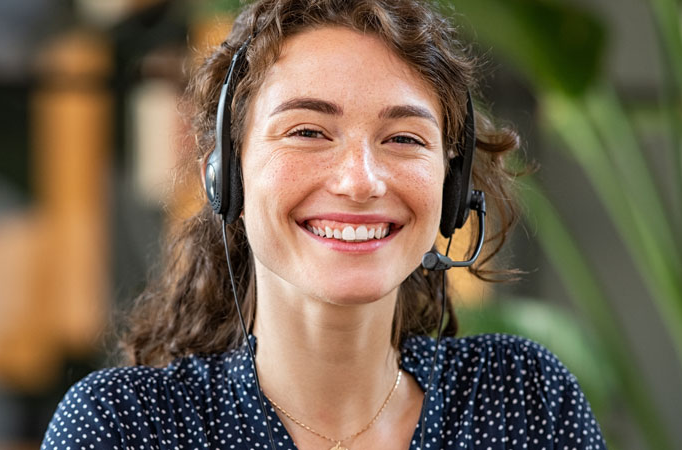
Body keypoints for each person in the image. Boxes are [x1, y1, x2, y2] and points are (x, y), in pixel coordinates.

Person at [43, 0, 607, 449]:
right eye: (308, 132)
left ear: (451, 187)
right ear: (226, 174)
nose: (360, 182)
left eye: (403, 139)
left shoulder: (522, 403)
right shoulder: (127, 429)